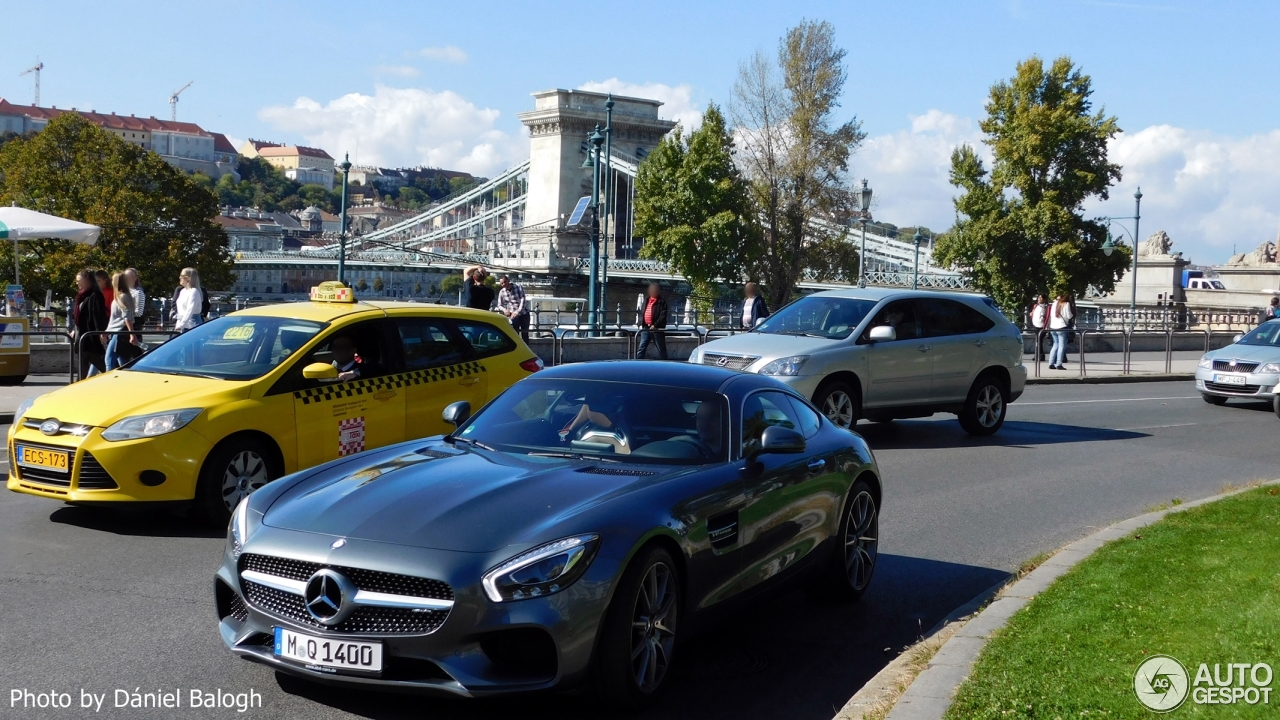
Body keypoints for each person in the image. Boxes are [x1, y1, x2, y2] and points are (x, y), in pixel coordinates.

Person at [72, 269, 108, 379]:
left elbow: (98, 315)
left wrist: (101, 332)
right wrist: (74, 329)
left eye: (79, 280)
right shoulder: (82, 296)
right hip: (82, 333)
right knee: (84, 360)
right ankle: (79, 384)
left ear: (88, 280)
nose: (77, 283)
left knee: (96, 359)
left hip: (90, 335)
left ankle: (116, 378)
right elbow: (79, 316)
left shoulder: (95, 295)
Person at [104, 272, 136, 371]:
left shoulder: (123, 297)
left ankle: (110, 383)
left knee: (109, 359)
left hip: (120, 331)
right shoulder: (121, 296)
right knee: (122, 360)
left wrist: (132, 334)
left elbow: (126, 317)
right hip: (117, 331)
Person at [636, 282, 668, 360]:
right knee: (641, 347)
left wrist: (655, 325)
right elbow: (642, 312)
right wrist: (641, 321)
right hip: (646, 328)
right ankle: (638, 362)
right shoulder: (646, 300)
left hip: (657, 329)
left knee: (661, 348)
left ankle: (665, 364)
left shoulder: (662, 302)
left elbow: (662, 316)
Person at [497, 275, 529, 340]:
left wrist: (517, 312)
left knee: (525, 335)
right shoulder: (502, 292)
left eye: (505, 282)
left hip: (523, 313)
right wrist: (505, 310)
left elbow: (523, 301)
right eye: (502, 283)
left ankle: (525, 349)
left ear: (508, 281)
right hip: (513, 315)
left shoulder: (518, 287)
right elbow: (499, 305)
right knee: (514, 334)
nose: (504, 284)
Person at [173, 267, 205, 332]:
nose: (179, 277)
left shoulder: (194, 291)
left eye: (182, 275)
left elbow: (190, 311)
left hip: (192, 325)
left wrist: (181, 325)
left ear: (188, 278)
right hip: (183, 325)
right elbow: (181, 311)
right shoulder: (182, 291)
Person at [1048, 293, 1074, 370]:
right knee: (1062, 346)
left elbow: (1051, 315)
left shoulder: (1054, 303)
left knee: (1055, 345)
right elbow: (1069, 316)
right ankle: (1059, 364)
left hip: (1053, 327)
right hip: (1062, 327)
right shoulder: (1066, 304)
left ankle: (1051, 363)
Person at [1029, 294, 1049, 362]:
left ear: (1044, 299)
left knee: (1039, 340)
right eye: (1039, 297)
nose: (1039, 299)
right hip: (1036, 325)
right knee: (1038, 341)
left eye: (1041, 298)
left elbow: (1045, 316)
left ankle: (1040, 355)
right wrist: (1032, 313)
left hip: (1041, 326)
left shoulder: (1045, 307)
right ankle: (1039, 355)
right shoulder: (1036, 306)